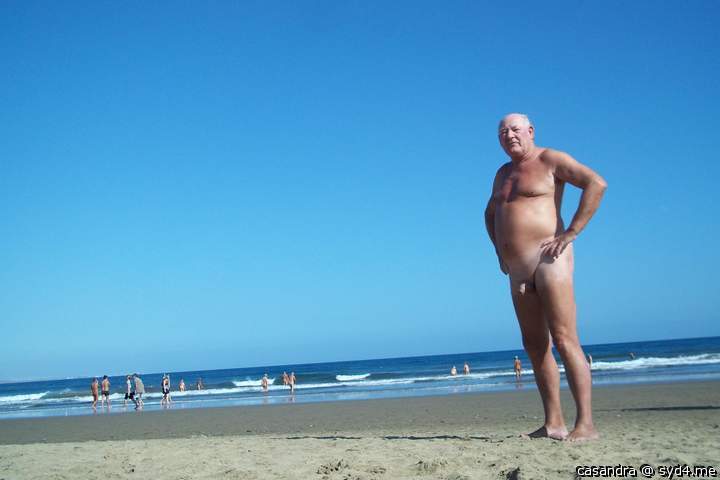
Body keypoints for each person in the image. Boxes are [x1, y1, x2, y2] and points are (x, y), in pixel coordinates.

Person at [485, 113, 606, 441]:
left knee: (565, 340)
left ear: (530, 131)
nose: (509, 135)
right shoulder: (502, 174)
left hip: (550, 259)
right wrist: (499, 251)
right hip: (517, 270)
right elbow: (490, 213)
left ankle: (586, 424)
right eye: (502, 132)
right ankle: (554, 423)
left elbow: (596, 183)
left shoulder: (550, 159)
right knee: (535, 346)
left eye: (514, 129)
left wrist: (571, 232)